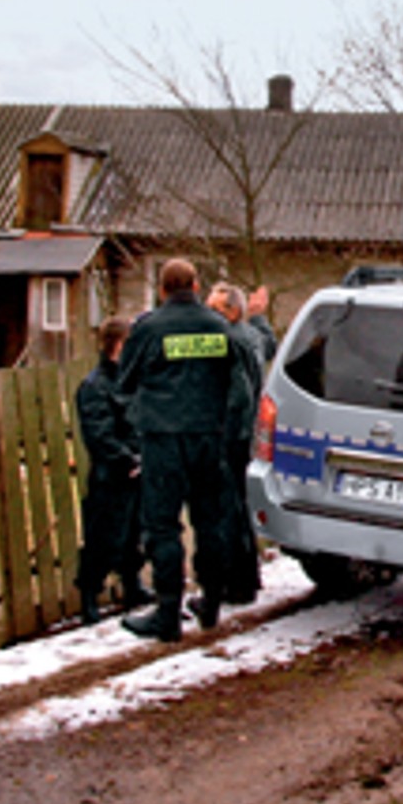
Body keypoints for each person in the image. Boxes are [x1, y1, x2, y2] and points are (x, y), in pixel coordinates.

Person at [115, 258, 240, 641]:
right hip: (209, 436)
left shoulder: (149, 328)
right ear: (197, 286)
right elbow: (235, 380)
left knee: (162, 525)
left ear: (163, 289)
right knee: (210, 522)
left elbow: (125, 379)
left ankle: (167, 613)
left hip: (163, 437)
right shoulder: (220, 326)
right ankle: (212, 603)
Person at [73, 316, 149, 623]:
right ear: (117, 345)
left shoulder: (134, 380)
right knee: (103, 538)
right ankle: (90, 594)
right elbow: (99, 433)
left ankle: (133, 585)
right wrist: (126, 458)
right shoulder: (95, 386)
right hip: (112, 477)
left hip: (139, 470)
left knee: (136, 535)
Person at [207, 282, 265, 606]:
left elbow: (239, 394)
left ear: (231, 312)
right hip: (244, 434)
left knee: (227, 511)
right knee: (239, 509)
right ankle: (247, 579)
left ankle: (234, 585)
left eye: (215, 309)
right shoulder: (249, 335)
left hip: (231, 436)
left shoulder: (227, 340)